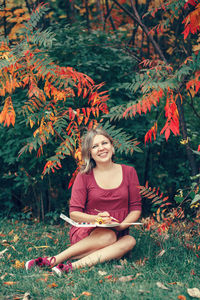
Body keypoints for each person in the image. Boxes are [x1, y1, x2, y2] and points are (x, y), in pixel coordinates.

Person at [26, 128, 142, 276]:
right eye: (95, 146)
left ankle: (70, 267)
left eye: (104, 143)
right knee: (108, 236)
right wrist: (98, 219)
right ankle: (53, 260)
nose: (101, 148)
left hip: (118, 230)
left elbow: (136, 208)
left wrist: (121, 226)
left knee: (130, 241)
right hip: (88, 231)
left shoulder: (129, 172)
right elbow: (74, 213)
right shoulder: (84, 176)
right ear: (90, 154)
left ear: (112, 147)